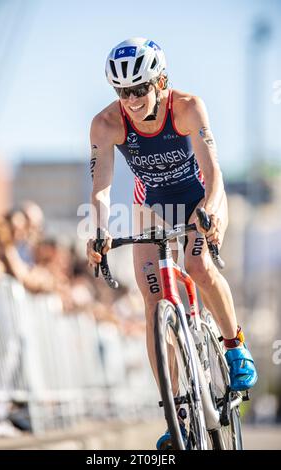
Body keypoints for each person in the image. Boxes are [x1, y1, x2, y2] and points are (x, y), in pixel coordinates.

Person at [86, 37, 257, 448]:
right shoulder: (106, 123)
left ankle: (235, 346)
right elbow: (100, 189)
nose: (130, 100)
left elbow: (212, 172)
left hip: (201, 197)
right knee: (152, 300)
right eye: (122, 91)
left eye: (139, 89)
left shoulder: (187, 107)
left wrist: (211, 211)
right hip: (152, 205)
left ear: (160, 81)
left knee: (198, 267)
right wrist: (99, 230)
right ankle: (178, 411)